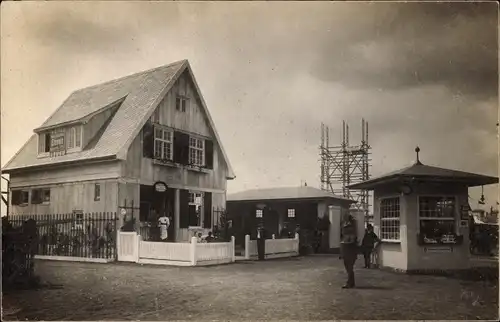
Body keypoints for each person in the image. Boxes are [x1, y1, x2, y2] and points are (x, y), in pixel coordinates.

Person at [340, 213, 358, 289]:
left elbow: (352, 239)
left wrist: (345, 242)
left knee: (349, 268)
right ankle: (352, 283)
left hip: (350, 250)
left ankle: (349, 283)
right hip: (346, 249)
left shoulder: (351, 228)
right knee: (348, 268)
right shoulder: (345, 226)